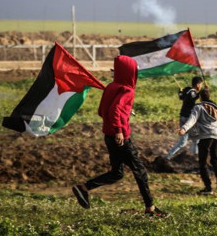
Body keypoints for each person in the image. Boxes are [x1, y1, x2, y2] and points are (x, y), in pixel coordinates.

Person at [71, 55, 168, 217]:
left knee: (117, 173)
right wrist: (119, 130)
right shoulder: (127, 90)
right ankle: (150, 208)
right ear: (130, 72)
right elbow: (115, 110)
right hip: (120, 138)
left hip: (109, 136)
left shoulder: (111, 86)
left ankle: (84, 188)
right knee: (140, 171)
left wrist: (118, 121)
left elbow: (102, 111)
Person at [179, 88, 217, 194]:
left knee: (202, 162)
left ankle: (208, 188)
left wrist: (184, 128)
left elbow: (192, 119)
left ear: (200, 97)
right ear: (209, 97)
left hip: (205, 136)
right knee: (215, 159)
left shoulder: (198, 107)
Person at [165, 76, 204, 160]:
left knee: (182, 142)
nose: (201, 86)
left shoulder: (186, 89)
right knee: (196, 139)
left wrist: (180, 92)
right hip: (189, 119)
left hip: (183, 117)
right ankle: (195, 157)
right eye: (201, 84)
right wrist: (201, 93)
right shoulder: (192, 92)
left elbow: (181, 97)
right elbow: (193, 98)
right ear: (197, 84)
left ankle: (168, 156)